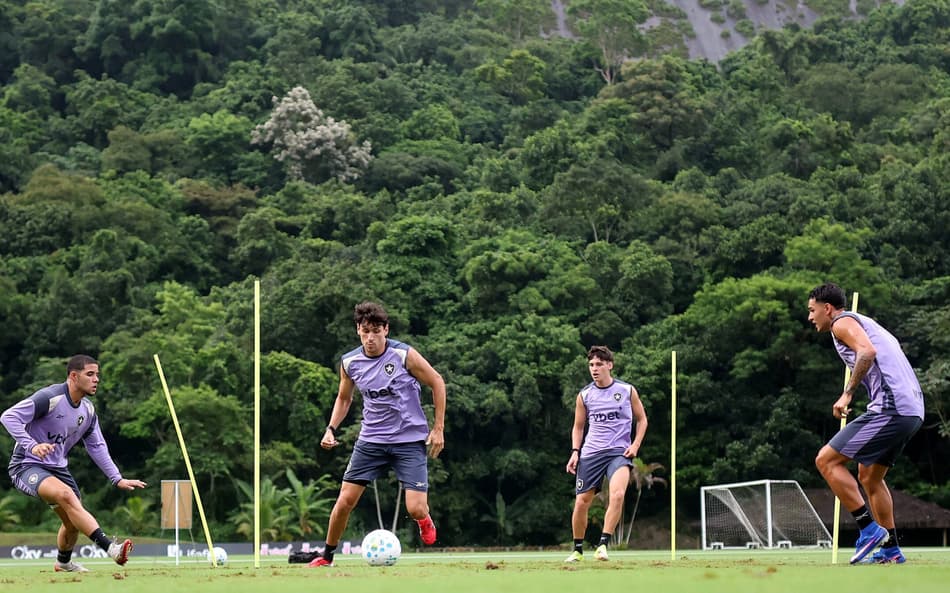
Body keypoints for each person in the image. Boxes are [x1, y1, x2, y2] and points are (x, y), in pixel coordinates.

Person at [308, 301, 446, 567]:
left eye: (375, 331)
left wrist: (438, 428)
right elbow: (344, 398)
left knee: (415, 508)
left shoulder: (404, 355)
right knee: (344, 501)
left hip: (409, 440)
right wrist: (331, 428)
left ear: (386, 330)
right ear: (358, 331)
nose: (370, 338)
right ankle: (327, 556)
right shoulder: (349, 362)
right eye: (364, 331)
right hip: (371, 440)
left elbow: (437, 381)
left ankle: (424, 519)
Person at [808, 283, 925, 565]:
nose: (810, 317)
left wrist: (847, 393)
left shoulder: (841, 323)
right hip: (913, 410)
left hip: (892, 408)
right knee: (870, 477)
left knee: (826, 461)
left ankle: (869, 529)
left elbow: (867, 352)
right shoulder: (866, 322)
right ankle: (891, 551)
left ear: (827, 308)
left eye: (812, 311)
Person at [1, 355, 147, 572]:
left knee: (72, 521)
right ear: (73, 376)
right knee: (67, 496)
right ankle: (111, 549)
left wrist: (117, 478)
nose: (96, 379)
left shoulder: (88, 411)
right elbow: (8, 417)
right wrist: (32, 446)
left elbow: (97, 446)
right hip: (27, 464)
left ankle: (63, 562)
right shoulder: (49, 398)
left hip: (58, 468)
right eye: (90, 374)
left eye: (97, 375)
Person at [564, 345, 648, 562]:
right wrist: (575, 452)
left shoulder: (627, 391)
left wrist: (636, 445)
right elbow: (578, 427)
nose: (594, 368)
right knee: (582, 501)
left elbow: (642, 420)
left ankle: (602, 545)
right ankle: (578, 550)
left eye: (599, 364)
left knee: (618, 494)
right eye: (591, 364)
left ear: (609, 365)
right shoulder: (584, 395)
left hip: (619, 452)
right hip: (591, 453)